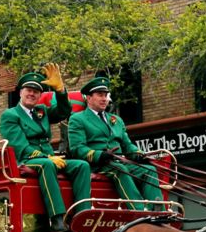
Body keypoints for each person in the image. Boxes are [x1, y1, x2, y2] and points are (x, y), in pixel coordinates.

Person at [0, 64, 91, 232]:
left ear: (40, 95)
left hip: (48, 157)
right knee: (47, 165)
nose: (32, 94)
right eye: (28, 90)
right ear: (20, 92)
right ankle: (57, 218)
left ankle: (82, 215)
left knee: (82, 166)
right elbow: (20, 147)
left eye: (36, 92)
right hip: (26, 160)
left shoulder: (41, 111)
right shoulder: (10, 115)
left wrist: (61, 91)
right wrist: (48, 157)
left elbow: (64, 111)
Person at [68, 76, 163, 210]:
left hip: (118, 162)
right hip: (98, 164)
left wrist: (138, 154)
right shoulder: (78, 119)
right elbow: (77, 148)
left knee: (149, 170)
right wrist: (99, 155)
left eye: (106, 95)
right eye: (100, 95)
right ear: (89, 98)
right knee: (120, 170)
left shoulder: (116, 119)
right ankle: (139, 209)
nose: (104, 99)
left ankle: (158, 209)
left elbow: (127, 144)